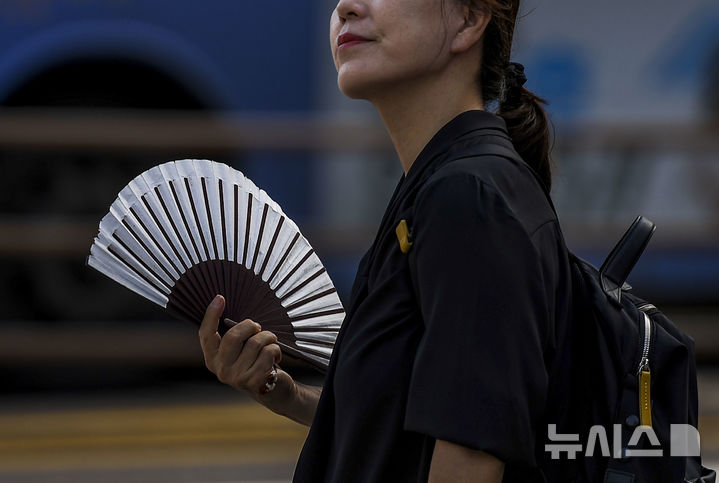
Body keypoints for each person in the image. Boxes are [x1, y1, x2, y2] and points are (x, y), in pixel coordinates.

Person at [198, 0, 574, 481]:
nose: (345, 7)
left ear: (469, 19)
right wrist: (289, 396)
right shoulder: (442, 182)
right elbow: (412, 437)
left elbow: (470, 459)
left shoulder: (469, 198)